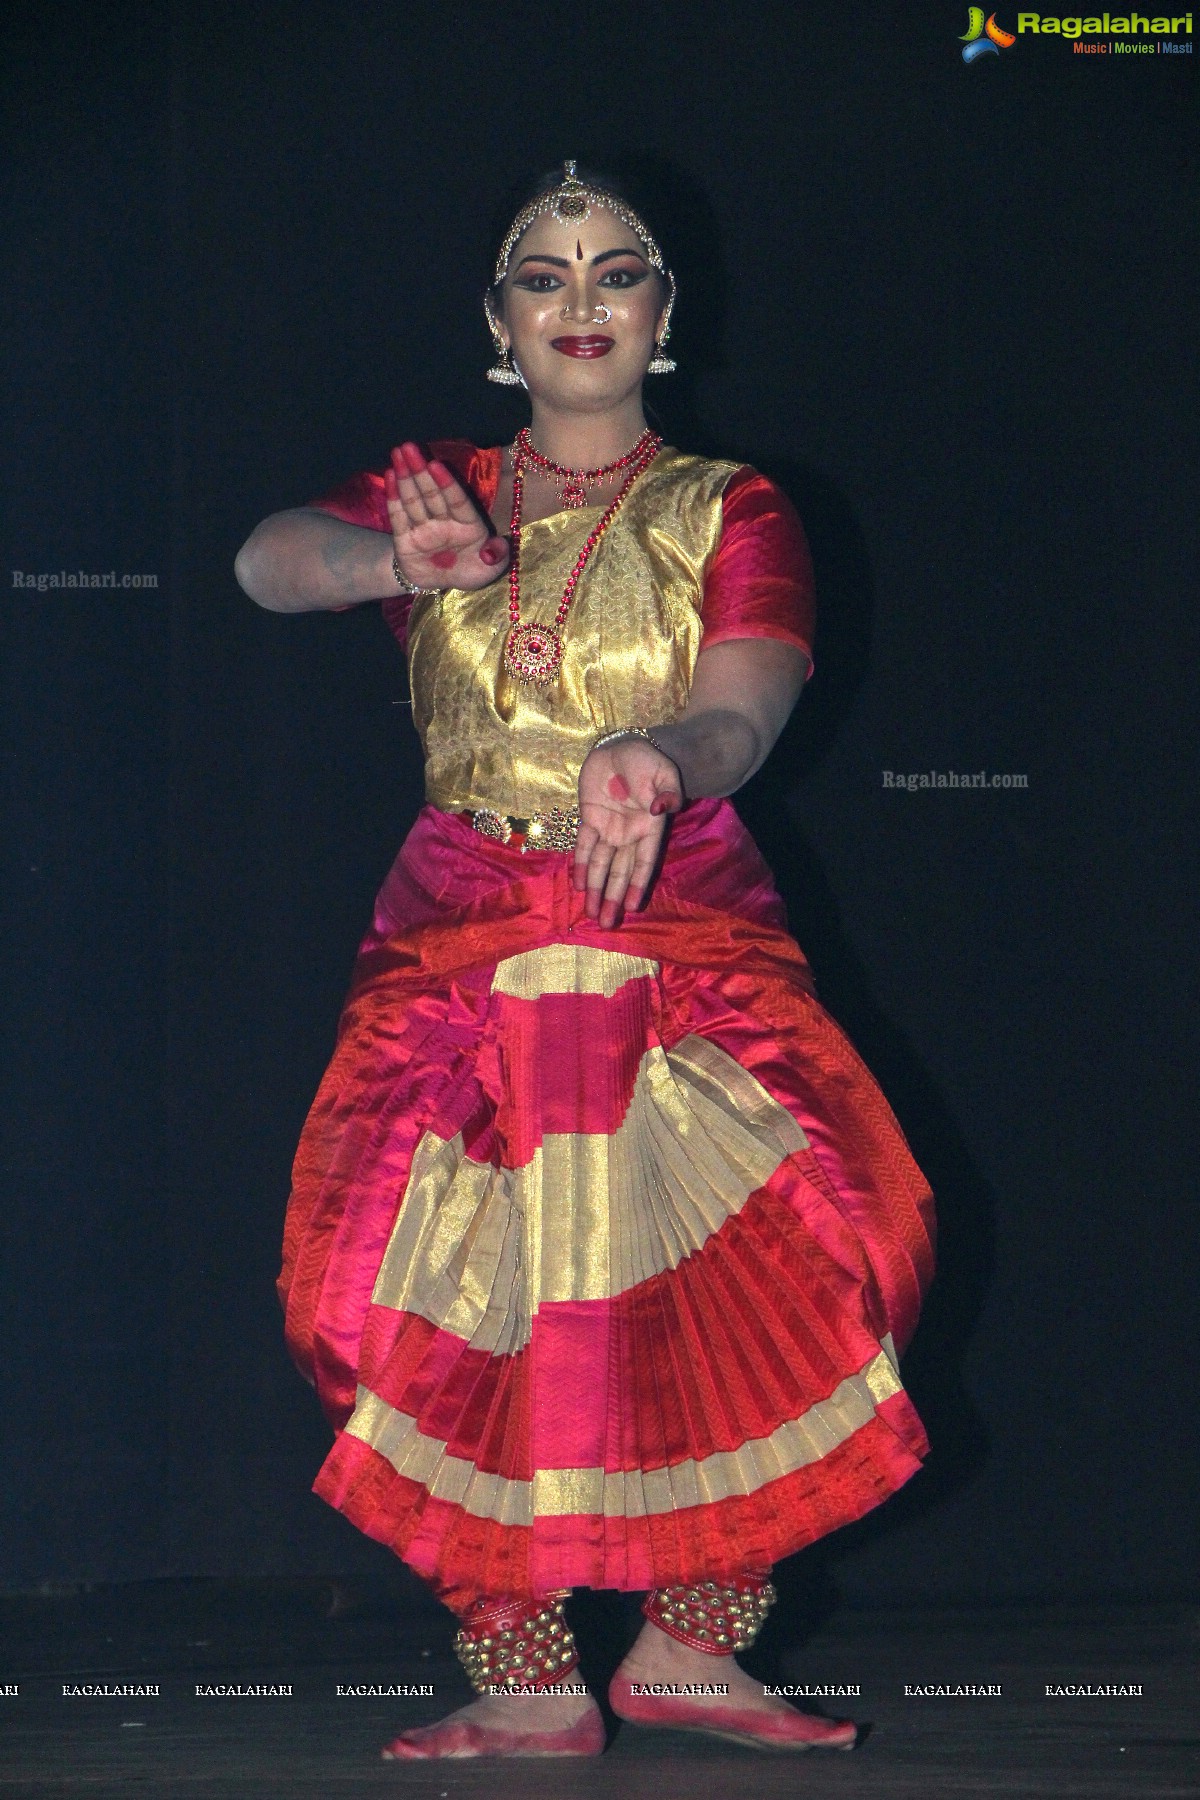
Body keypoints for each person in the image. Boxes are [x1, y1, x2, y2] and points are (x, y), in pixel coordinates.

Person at [236, 161, 935, 1761]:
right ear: (498, 326)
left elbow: (747, 701)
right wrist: (389, 566)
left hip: (676, 912)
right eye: (542, 279)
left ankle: (696, 1642)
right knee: (394, 1296)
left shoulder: (728, 505)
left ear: (663, 318)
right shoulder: (440, 494)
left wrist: (662, 755)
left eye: (617, 275)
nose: (581, 304)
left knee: (849, 1247)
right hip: (460, 931)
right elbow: (267, 561)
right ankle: (523, 1668)